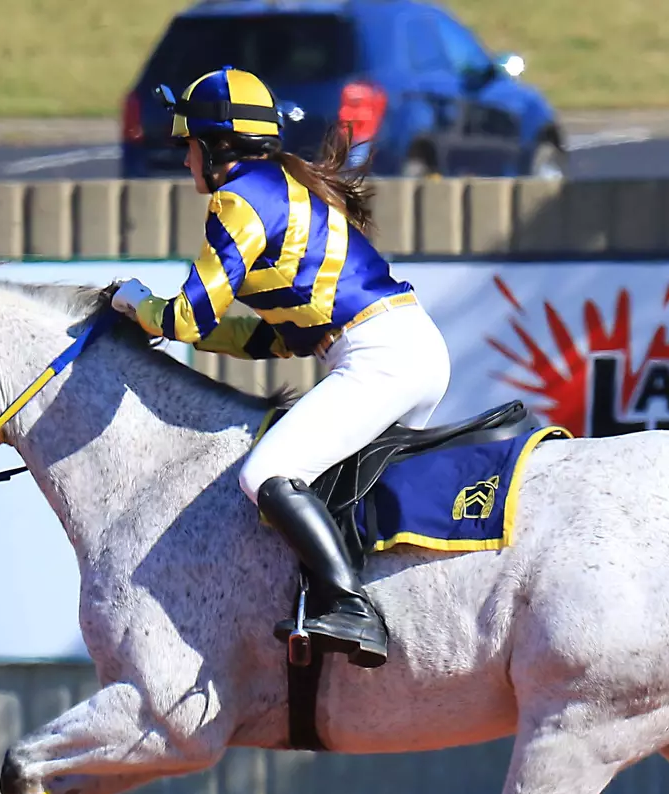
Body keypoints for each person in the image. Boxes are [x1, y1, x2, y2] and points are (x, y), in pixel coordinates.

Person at [110, 66, 451, 670]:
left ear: (217, 146)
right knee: (328, 485)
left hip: (379, 356)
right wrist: (159, 324)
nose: (185, 157)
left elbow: (188, 316)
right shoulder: (281, 189)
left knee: (265, 471)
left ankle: (347, 606)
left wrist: (137, 303)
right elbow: (265, 338)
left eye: (190, 143)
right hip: (406, 347)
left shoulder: (237, 201)